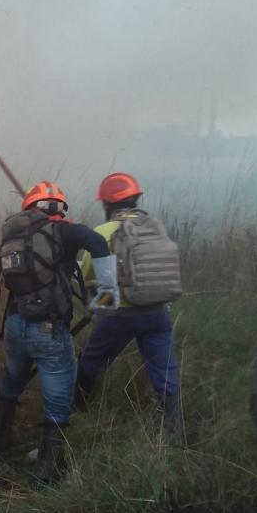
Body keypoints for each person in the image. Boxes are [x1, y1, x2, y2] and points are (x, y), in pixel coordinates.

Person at [0, 181, 117, 486]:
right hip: (49, 330)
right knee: (58, 399)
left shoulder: (15, 233)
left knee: (12, 380)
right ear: (59, 207)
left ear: (30, 208)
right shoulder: (66, 231)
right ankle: (46, 471)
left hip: (16, 326)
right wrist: (109, 290)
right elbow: (98, 242)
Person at [75, 172, 183, 435]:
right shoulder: (155, 226)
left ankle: (76, 414)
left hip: (121, 313)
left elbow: (88, 275)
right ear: (135, 200)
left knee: (91, 362)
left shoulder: (103, 231)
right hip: (159, 312)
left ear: (107, 204)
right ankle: (175, 434)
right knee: (166, 375)